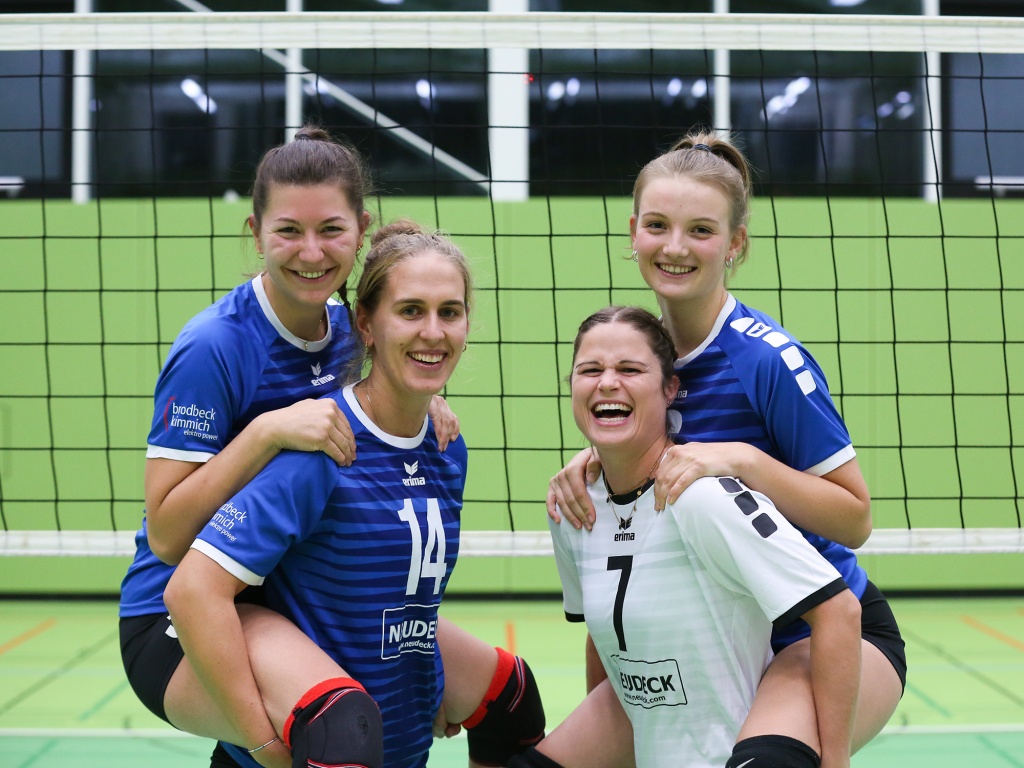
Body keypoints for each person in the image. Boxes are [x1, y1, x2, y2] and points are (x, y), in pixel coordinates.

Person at [118, 127, 539, 767]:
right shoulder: (217, 346)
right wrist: (266, 432)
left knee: (508, 696)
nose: (311, 252)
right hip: (183, 607)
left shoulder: (351, 328)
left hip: (285, 586)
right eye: (288, 230)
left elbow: (397, 378)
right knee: (334, 731)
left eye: (331, 230)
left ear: (361, 228)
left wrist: (426, 400)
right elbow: (169, 537)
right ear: (256, 232)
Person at [547, 132, 906, 760]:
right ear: (633, 232)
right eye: (657, 225)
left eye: (701, 230)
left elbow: (856, 518)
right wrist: (594, 462)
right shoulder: (639, 355)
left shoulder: (765, 360)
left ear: (735, 243)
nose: (675, 247)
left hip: (818, 629)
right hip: (712, 637)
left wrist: (743, 460)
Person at [519, 306, 863, 768]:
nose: (606, 383)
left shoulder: (703, 500)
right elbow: (604, 642)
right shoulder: (574, 506)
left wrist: (835, 761)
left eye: (629, 369)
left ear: (670, 390)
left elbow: (840, 609)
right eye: (590, 370)